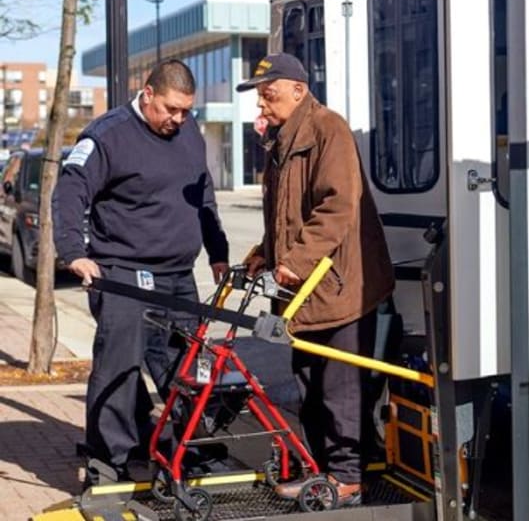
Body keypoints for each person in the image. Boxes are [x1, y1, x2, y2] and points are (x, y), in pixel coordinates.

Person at [53, 59, 230, 484]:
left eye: (186, 110)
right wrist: (73, 252)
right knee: (120, 368)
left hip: (178, 274)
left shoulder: (188, 132)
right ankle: (107, 462)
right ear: (147, 94)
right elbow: (70, 190)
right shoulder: (108, 135)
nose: (178, 119)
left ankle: (186, 448)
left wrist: (218, 250)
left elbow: (202, 193)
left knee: (186, 367)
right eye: (171, 109)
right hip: (124, 272)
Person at [235, 53, 394, 508]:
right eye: (259, 96)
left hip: (339, 288)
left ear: (298, 90)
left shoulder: (328, 129)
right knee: (308, 383)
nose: (261, 104)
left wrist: (296, 261)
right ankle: (318, 470)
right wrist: (265, 252)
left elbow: (337, 206)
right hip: (304, 291)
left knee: (339, 387)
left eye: (268, 94)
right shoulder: (282, 141)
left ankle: (346, 478)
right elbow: (285, 216)